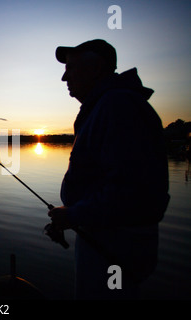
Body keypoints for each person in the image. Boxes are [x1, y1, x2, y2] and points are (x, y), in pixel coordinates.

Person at [48, 39, 170, 299]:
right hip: (101, 237)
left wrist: (74, 214)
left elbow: (132, 189)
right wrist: (73, 214)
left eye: (70, 68)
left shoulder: (118, 106)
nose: (63, 77)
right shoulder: (105, 106)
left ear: (95, 68)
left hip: (115, 244)